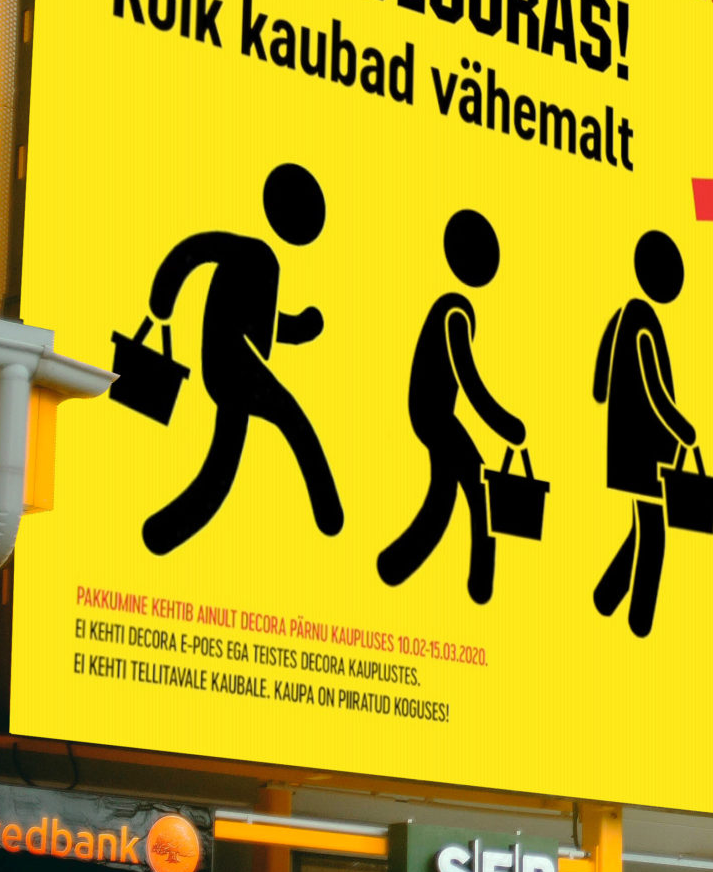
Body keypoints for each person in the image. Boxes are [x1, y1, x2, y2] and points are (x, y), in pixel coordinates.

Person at [141, 163, 343, 555]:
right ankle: (328, 511)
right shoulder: (255, 253)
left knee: (225, 458)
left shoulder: (260, 258)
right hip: (233, 363)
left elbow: (262, 322)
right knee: (292, 422)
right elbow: (195, 252)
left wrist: (303, 326)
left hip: (229, 365)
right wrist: (163, 297)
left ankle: (163, 532)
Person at [377, 209, 528, 603]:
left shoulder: (451, 307)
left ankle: (395, 564)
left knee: (443, 495)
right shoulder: (455, 312)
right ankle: (481, 584)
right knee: (480, 492)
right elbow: (468, 377)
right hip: (435, 416)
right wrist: (504, 423)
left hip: (431, 413)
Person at [593, 230, 697, 631]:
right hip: (646, 451)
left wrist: (608, 398)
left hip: (626, 446)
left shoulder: (623, 316)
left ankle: (606, 595)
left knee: (642, 527)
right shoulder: (644, 325)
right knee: (654, 534)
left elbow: (600, 383)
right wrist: (685, 430)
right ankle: (640, 620)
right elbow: (656, 391)